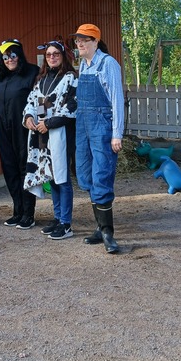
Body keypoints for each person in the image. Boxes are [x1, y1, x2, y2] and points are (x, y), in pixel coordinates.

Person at [72, 23, 124, 254]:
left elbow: (117, 101)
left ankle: (107, 232)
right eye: (77, 40)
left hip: (102, 126)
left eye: (84, 40)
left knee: (102, 174)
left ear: (95, 42)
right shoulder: (83, 65)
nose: (79, 43)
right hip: (83, 125)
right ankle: (98, 227)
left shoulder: (108, 64)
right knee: (85, 174)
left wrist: (116, 134)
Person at [23, 40, 78, 240]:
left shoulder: (71, 78)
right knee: (52, 178)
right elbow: (34, 103)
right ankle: (57, 217)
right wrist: (30, 118)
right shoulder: (42, 80)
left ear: (63, 56)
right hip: (42, 136)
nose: (52, 57)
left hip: (60, 135)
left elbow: (72, 106)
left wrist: (50, 123)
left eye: (56, 54)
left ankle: (66, 223)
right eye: (48, 55)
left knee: (62, 178)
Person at [0, 39, 38, 229]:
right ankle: (17, 210)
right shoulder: (0, 78)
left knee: (24, 169)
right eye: (5, 57)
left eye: (13, 55)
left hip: (23, 129)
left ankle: (29, 213)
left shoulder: (32, 73)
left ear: (19, 56)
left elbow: (39, 100)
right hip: (3, 130)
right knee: (9, 169)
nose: (9, 59)